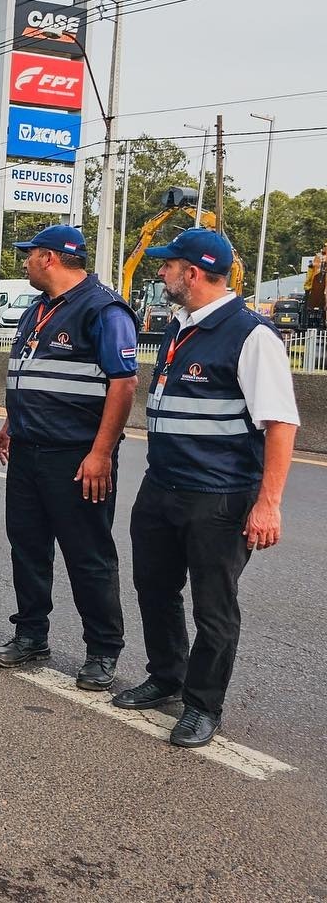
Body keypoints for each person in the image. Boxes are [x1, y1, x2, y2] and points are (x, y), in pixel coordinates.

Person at [112, 228, 299, 748]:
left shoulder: (251, 335)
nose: (162, 272)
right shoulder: (180, 328)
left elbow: (281, 425)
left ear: (192, 273)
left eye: (168, 265)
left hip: (219, 496)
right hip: (163, 487)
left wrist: (269, 504)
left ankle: (202, 706)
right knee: (154, 587)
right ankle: (166, 676)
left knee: (212, 608)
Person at [0, 224, 138, 691]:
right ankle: (31, 634)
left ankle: (102, 651)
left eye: (29, 254)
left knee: (87, 555)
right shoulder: (37, 309)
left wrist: (101, 453)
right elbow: (31, 372)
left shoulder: (103, 309)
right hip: (29, 451)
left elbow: (124, 383)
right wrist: (12, 424)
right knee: (28, 548)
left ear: (49, 258)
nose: (25, 261)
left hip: (76, 456)